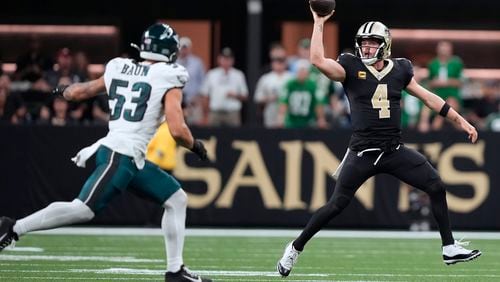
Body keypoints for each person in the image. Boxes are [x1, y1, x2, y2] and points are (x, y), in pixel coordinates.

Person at [276, 9, 481, 277]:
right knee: (336, 205)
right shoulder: (350, 66)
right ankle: (295, 247)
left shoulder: (401, 69)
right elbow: (317, 60)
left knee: (435, 185)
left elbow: (427, 97)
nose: (366, 46)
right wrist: (318, 22)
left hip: (393, 150)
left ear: (385, 44)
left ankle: (449, 247)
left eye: (372, 42)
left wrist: (460, 120)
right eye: (363, 42)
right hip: (361, 152)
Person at [0, 23, 212, 282]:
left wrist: (62, 92)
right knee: (83, 209)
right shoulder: (170, 75)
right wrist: (196, 146)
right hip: (119, 154)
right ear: (170, 51)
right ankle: (14, 227)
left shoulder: (118, 66)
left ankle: (175, 271)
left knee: (176, 199)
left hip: (130, 157)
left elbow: (83, 90)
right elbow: (178, 129)